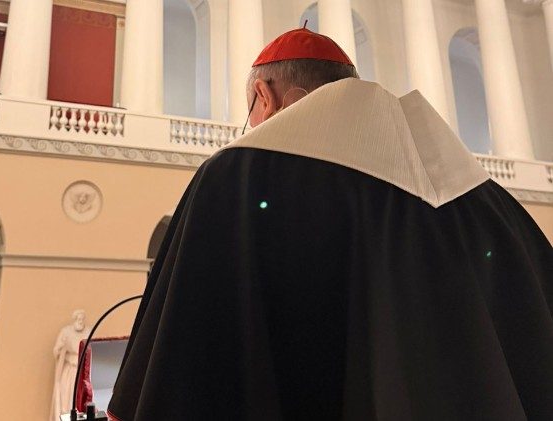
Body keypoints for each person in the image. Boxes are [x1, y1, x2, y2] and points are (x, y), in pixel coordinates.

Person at [108, 28, 553, 420]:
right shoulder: (478, 195)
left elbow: (183, 362)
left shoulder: (233, 181)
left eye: (251, 112)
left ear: (265, 95)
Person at [51, 310, 91, 420]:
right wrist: (62, 349)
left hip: (83, 371)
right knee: (67, 397)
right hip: (70, 370)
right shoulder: (66, 332)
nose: (80, 321)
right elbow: (57, 350)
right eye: (78, 318)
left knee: (81, 397)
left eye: (82, 319)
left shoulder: (88, 332)